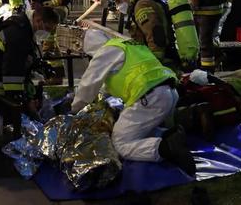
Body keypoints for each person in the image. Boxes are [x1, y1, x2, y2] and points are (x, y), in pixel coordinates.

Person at [71, 29, 196, 176]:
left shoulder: (105, 52)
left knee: (120, 143)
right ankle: (171, 134)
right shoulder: (128, 45)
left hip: (149, 98)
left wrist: (74, 108)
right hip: (169, 92)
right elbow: (112, 82)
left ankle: (166, 148)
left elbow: (88, 84)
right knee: (140, 130)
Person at [0, 6, 60, 112]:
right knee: (3, 124)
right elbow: (12, 73)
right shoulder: (18, 34)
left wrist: (41, 66)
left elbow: (24, 56)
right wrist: (23, 102)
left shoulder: (23, 26)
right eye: (48, 29)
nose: (48, 33)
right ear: (38, 21)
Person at [111, 0, 176, 65]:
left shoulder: (141, 5)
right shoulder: (138, 5)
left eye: (118, 1)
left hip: (162, 62)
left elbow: (155, 36)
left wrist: (153, 64)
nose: (117, 6)